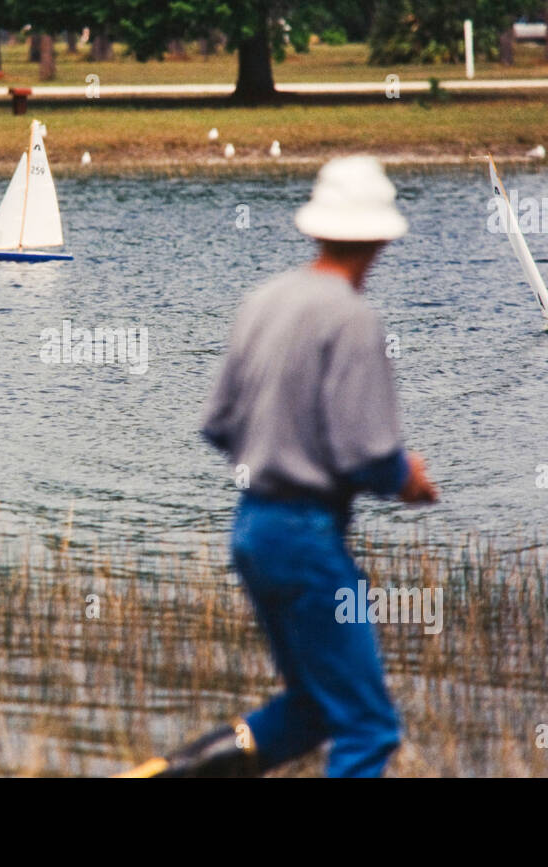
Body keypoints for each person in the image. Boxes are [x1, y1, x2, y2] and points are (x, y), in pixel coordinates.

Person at [120, 155, 438, 778]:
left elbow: (217, 424)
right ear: (379, 239)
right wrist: (408, 478)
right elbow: (367, 453)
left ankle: (165, 774)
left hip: (252, 529)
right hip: (306, 536)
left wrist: (276, 445)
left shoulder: (263, 300)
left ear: (317, 227)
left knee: (315, 709)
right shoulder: (353, 317)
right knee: (369, 726)